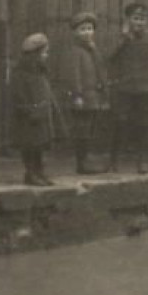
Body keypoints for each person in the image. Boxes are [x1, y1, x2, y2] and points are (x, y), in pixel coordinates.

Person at [109, 3, 148, 173]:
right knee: (120, 122)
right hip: (124, 88)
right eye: (135, 18)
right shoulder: (120, 37)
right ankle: (114, 160)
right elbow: (109, 57)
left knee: (145, 125)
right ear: (127, 20)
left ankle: (142, 161)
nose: (139, 23)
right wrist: (124, 39)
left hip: (146, 88)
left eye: (142, 19)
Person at [56, 12, 110, 174]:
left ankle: (87, 160)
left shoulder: (92, 50)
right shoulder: (74, 51)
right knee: (82, 129)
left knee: (89, 129)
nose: (87, 32)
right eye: (82, 29)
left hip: (93, 96)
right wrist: (77, 95)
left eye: (90, 28)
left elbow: (100, 69)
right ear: (75, 32)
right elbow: (74, 75)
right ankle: (82, 162)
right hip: (82, 97)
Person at [10, 33, 59, 186]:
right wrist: (29, 109)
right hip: (29, 116)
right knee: (29, 145)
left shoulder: (40, 71)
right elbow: (19, 95)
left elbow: (45, 90)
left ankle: (39, 172)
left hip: (41, 114)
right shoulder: (20, 73)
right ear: (35, 54)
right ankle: (30, 173)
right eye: (44, 52)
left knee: (40, 146)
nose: (46, 56)